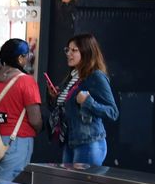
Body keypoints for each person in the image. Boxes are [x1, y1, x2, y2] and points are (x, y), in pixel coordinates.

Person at [48, 33, 118, 166]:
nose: (69, 53)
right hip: (70, 141)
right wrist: (54, 98)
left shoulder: (96, 76)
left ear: (86, 52)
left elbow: (112, 112)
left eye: (74, 50)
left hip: (89, 142)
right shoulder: (72, 76)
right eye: (68, 49)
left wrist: (88, 102)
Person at [0, 39, 42, 182]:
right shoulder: (26, 81)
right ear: (20, 58)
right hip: (17, 141)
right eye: (27, 55)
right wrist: (39, 129)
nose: (28, 59)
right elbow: (35, 119)